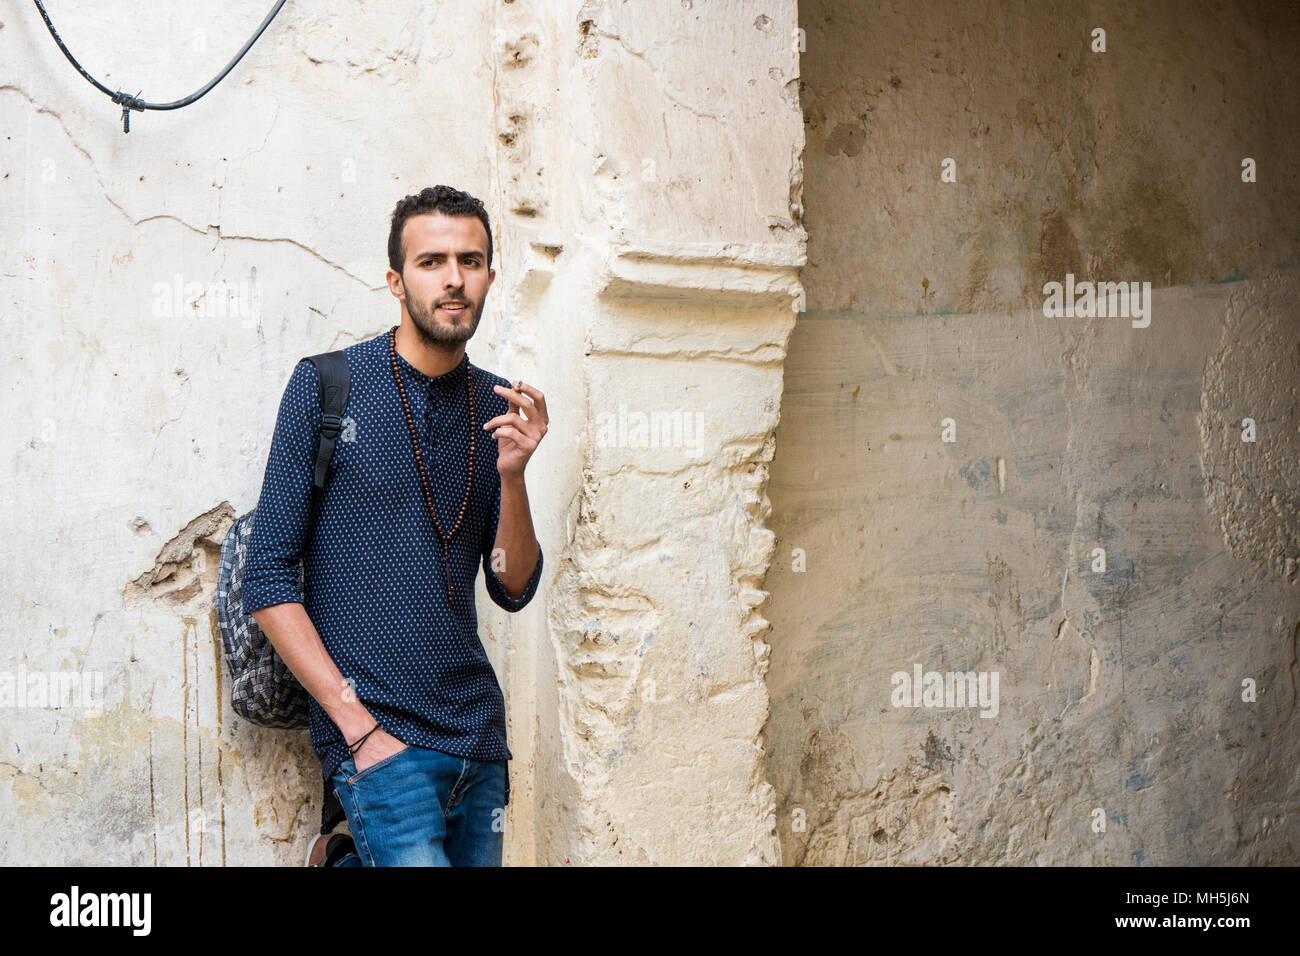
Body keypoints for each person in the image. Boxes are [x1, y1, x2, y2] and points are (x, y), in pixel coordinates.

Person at [243, 185, 547, 866]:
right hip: (381, 743)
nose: (453, 278)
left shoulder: (498, 405)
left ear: (490, 278)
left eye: (470, 261)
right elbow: (265, 579)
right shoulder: (327, 386)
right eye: (431, 260)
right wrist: (356, 729)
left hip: (478, 742)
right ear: (395, 279)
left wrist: (514, 476)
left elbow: (513, 586)